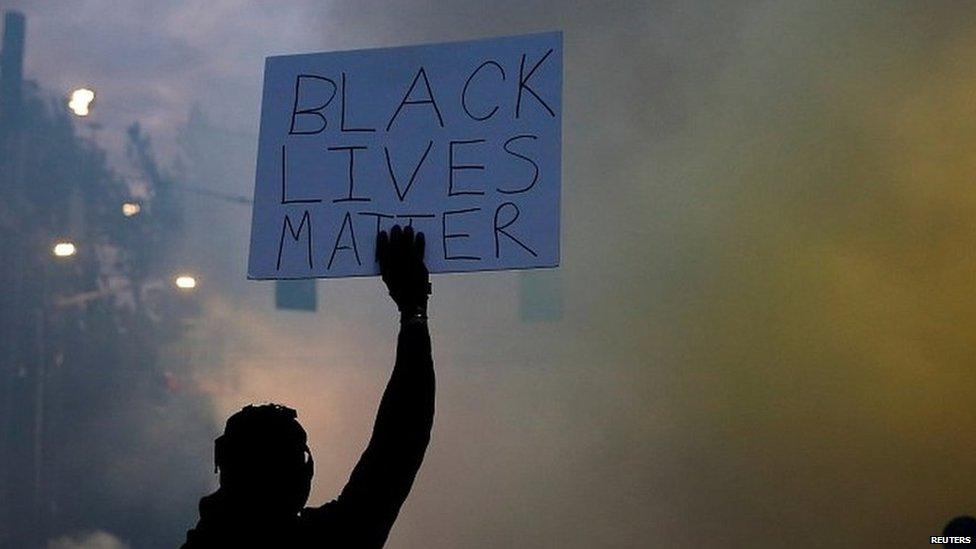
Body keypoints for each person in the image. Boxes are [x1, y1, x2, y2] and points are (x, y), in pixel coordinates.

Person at [182, 225, 435, 548]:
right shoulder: (327, 540)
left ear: (225, 469)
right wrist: (413, 309)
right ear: (300, 476)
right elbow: (400, 442)